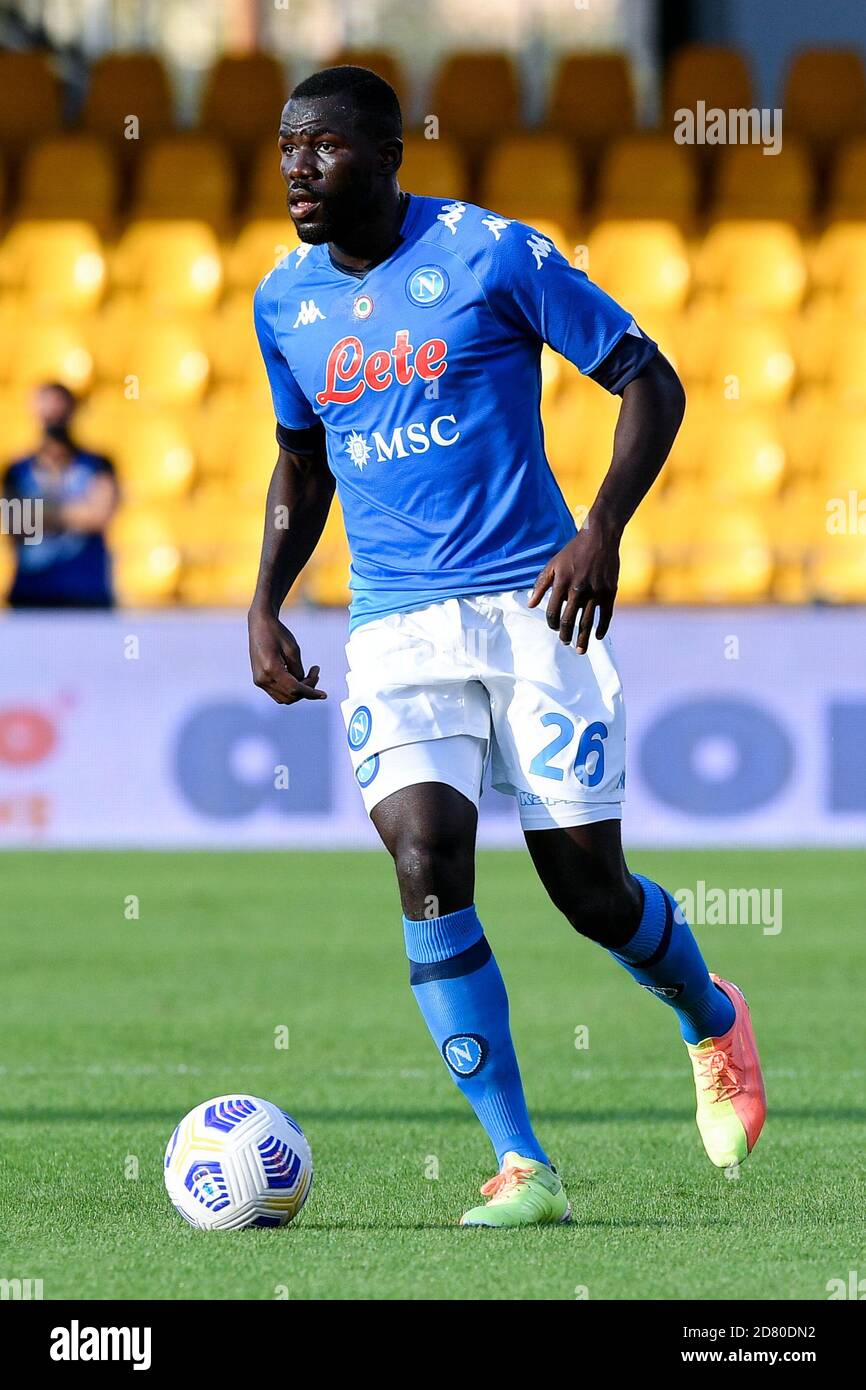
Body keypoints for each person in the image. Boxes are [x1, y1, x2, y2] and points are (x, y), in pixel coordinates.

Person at [248, 66, 766, 1228]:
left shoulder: (493, 255)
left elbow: (650, 379)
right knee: (426, 864)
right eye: (284, 147)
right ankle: (522, 1166)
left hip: (536, 603)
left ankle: (708, 1016)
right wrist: (265, 598)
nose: (295, 169)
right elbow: (301, 459)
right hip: (392, 623)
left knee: (585, 891)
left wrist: (601, 530)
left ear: (387, 156)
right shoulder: (282, 299)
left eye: (321, 148)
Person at [3, 382, 118, 608]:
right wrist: (76, 512)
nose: (54, 420)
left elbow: (100, 516)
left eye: (59, 411)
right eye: (48, 412)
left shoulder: (98, 465)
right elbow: (16, 525)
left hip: (86, 593)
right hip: (32, 593)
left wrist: (39, 513)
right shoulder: (16, 471)